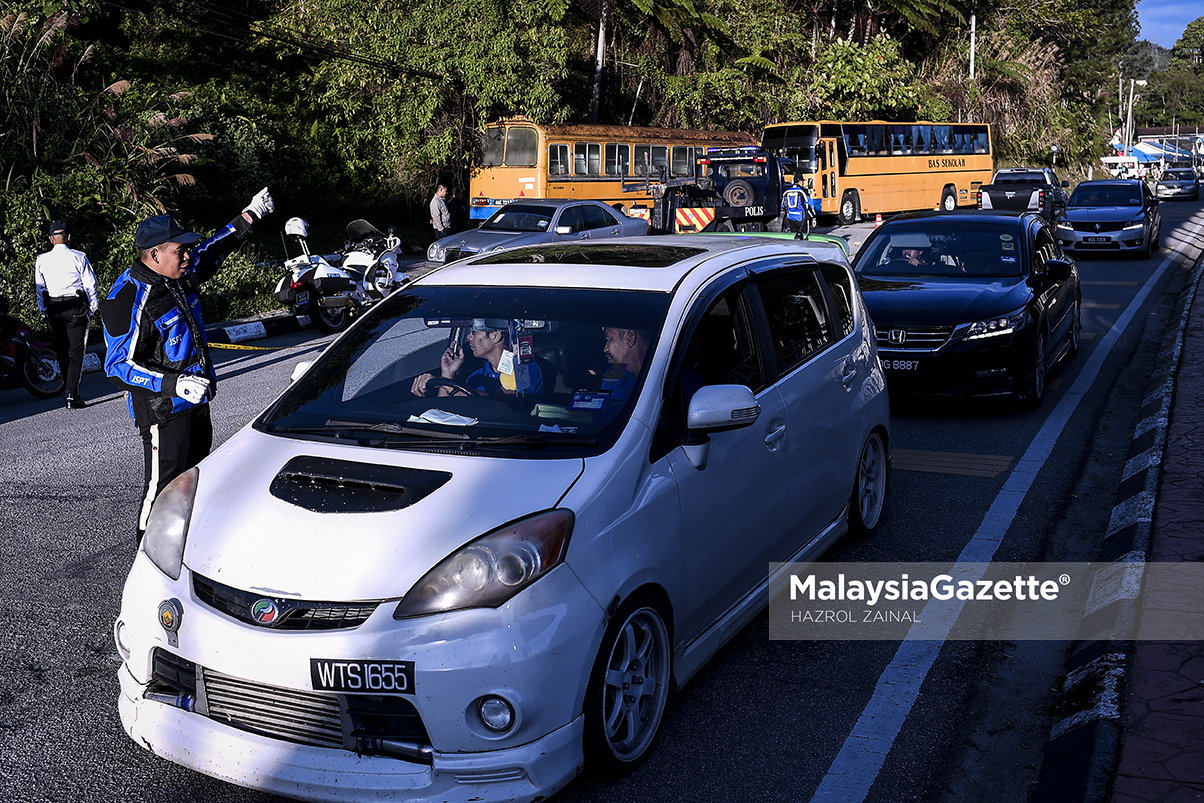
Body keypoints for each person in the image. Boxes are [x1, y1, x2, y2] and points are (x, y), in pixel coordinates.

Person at [101, 188, 274, 543]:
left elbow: (213, 249)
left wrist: (249, 216)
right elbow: (117, 365)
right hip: (163, 411)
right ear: (154, 254)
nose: (188, 255)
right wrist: (173, 384)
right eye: (180, 250)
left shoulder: (179, 273)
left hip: (197, 402)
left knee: (194, 479)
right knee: (162, 488)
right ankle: (146, 557)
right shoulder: (127, 298)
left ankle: (185, 545)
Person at [35, 220, 98, 408]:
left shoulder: (41, 259)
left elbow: (40, 288)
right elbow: (90, 285)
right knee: (76, 352)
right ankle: (72, 395)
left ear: (50, 239)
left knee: (62, 351)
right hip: (75, 306)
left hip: (54, 307)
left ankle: (68, 391)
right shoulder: (79, 257)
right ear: (68, 237)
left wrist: (43, 308)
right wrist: (93, 307)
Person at [411, 319, 544, 399]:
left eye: (474, 332)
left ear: (495, 336)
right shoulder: (475, 377)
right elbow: (444, 410)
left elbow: (498, 403)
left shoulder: (526, 368)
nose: (469, 337)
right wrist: (447, 374)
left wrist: (445, 383)